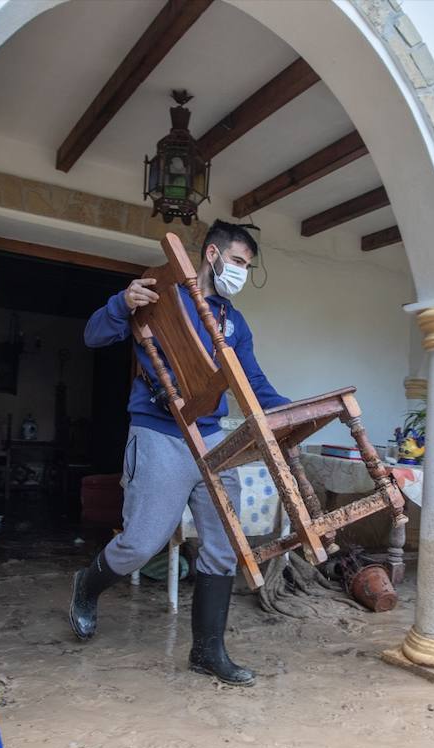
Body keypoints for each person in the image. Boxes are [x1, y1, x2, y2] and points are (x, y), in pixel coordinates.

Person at [71, 221, 289, 686]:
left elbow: (251, 380)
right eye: (236, 262)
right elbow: (93, 336)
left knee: (223, 545)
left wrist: (292, 412)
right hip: (159, 432)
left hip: (211, 436)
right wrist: (120, 303)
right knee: (141, 543)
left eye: (247, 267)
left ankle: (208, 652)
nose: (241, 273)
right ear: (211, 254)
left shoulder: (234, 322)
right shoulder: (161, 295)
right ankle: (86, 587)